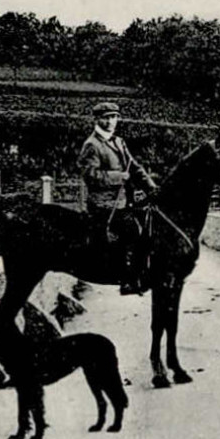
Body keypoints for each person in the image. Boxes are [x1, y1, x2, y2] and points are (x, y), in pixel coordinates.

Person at [78, 101, 158, 295]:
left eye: (114, 117)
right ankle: (129, 280)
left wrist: (151, 187)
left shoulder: (118, 141)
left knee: (147, 225)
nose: (111, 121)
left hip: (122, 201)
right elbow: (91, 176)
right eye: (106, 117)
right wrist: (119, 177)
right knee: (133, 232)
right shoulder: (92, 145)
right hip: (103, 203)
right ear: (97, 119)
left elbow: (134, 167)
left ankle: (137, 273)